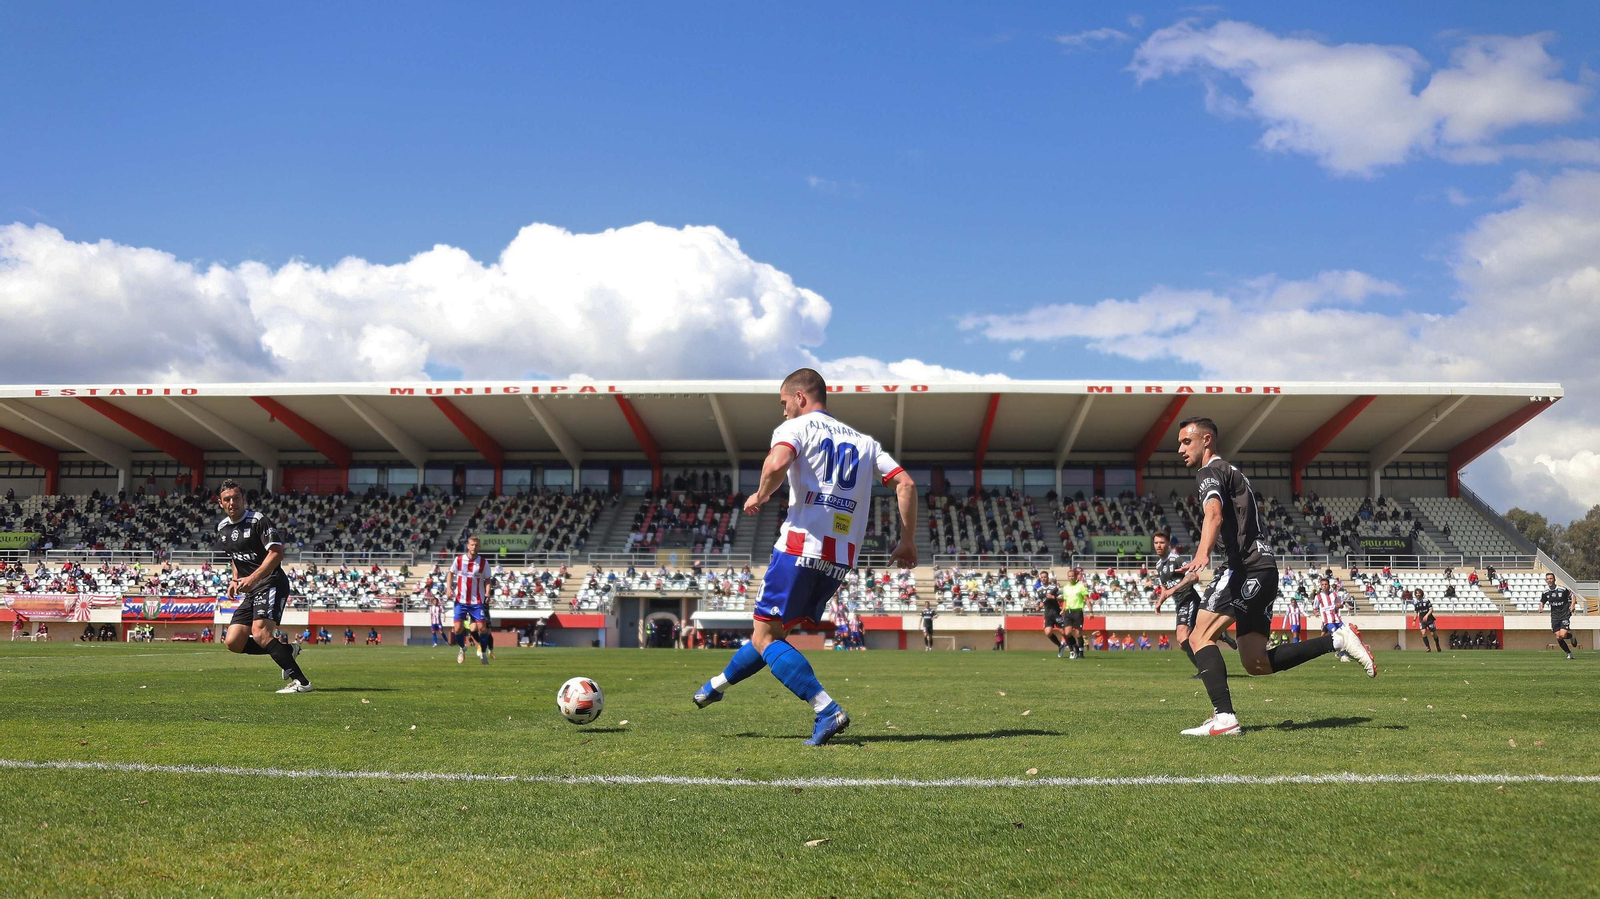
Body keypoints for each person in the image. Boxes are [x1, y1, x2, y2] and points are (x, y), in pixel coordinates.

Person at [693, 368, 918, 745]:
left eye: (784, 403)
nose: (782, 412)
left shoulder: (796, 429)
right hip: (840, 558)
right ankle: (715, 686)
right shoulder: (866, 443)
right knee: (770, 635)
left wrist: (761, 495)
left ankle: (826, 710)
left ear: (800, 397)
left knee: (766, 638)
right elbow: (905, 483)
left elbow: (777, 463)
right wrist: (907, 539)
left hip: (799, 548)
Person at [1174, 418, 1372, 737]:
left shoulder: (1209, 472)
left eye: (1187, 441)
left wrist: (1201, 554)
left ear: (1206, 440)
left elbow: (1214, 513)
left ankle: (1224, 717)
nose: (1181, 449)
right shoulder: (1233, 473)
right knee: (1255, 663)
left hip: (1244, 568)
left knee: (1198, 636)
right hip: (1264, 568)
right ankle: (1338, 639)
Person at [215, 479, 311, 693]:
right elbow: (235, 557)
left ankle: (302, 682)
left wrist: (253, 578)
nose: (232, 503)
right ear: (221, 503)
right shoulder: (222, 528)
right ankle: (286, 651)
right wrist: (235, 578)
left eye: (236, 498)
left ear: (243, 499)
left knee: (260, 633)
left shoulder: (258, 521)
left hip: (271, 582)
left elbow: (277, 553)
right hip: (252, 589)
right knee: (233, 641)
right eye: (227, 499)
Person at [448, 535, 494, 665]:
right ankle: (462, 648)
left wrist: (487, 593)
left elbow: (488, 580)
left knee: (482, 628)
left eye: (476, 545)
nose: (474, 547)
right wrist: (448, 588)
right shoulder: (459, 560)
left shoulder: (483, 563)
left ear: (479, 547)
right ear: (468, 546)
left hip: (477, 602)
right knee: (457, 629)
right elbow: (450, 574)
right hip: (460, 600)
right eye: (472, 545)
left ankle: (483, 653)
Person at [1539, 573, 1578, 659]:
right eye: (1548, 579)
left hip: (1564, 614)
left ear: (1554, 579)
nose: (1549, 580)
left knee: (1563, 635)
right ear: (1546, 581)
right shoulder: (1545, 592)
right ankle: (1569, 653)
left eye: (1551, 578)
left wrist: (1572, 605)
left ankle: (1570, 636)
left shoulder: (1562, 589)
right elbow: (1542, 601)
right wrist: (1541, 607)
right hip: (1554, 616)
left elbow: (1573, 595)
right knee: (1558, 637)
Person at [1059, 568, 1091, 659]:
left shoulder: (1080, 586)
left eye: (1072, 576)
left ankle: (1081, 652)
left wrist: (1091, 611)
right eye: (1069, 576)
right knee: (1067, 633)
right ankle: (1075, 646)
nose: (1071, 577)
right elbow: (1065, 600)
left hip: (1077, 611)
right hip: (1068, 612)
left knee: (1078, 633)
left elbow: (1086, 599)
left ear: (1076, 576)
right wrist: (1063, 609)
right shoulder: (1065, 588)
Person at [1041, 585, 1070, 658]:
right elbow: (1042, 603)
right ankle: (1060, 646)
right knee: (1048, 632)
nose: (1043, 579)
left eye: (1045, 577)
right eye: (1042, 577)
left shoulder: (1055, 590)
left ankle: (1072, 648)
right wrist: (1038, 606)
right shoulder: (1040, 590)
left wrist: (1054, 597)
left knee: (1064, 632)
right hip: (1048, 616)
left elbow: (1063, 598)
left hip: (1057, 614)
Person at [1413, 588, 1441, 653]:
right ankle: (1428, 648)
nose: (1418, 594)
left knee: (1433, 634)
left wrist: (1427, 615)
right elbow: (1415, 611)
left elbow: (1431, 609)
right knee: (1423, 632)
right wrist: (1414, 620)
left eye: (1419, 593)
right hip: (1422, 619)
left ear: (1421, 593)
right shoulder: (1415, 602)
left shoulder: (1426, 600)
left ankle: (1437, 644)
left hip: (1429, 618)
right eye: (1416, 593)